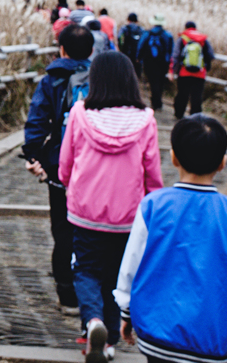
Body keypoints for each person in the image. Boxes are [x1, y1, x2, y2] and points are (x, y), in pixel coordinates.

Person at [114, 116, 227, 362]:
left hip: (157, 336)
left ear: (173, 158)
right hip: (211, 342)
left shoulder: (153, 206)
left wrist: (125, 313)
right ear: (222, 163)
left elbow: (131, 264)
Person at [59, 51, 163, 361]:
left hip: (85, 211)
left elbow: (66, 162)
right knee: (119, 276)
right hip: (128, 216)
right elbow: (152, 172)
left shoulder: (79, 113)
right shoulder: (146, 119)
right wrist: (152, 208)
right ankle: (109, 342)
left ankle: (92, 322)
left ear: (96, 80)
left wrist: (69, 185)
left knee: (86, 269)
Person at [23, 23, 94, 313]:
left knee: (63, 231)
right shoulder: (101, 77)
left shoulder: (51, 79)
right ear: (92, 50)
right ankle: (91, 289)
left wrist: (33, 155)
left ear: (61, 48)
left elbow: (37, 120)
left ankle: (67, 296)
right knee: (91, 230)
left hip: (59, 167)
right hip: (95, 167)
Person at [171, 21, 215, 119]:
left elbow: (175, 55)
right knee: (196, 97)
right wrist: (205, 66)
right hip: (200, 74)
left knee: (182, 94)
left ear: (186, 27)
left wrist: (174, 70)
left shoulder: (182, 38)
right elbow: (211, 55)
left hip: (184, 73)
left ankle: (179, 115)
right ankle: (195, 117)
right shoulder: (203, 39)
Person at [137, 16, 173, 112]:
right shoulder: (167, 35)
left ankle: (155, 103)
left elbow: (141, 45)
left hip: (149, 62)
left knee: (153, 82)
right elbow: (171, 50)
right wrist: (169, 62)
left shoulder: (147, 33)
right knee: (160, 82)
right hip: (163, 63)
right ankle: (158, 102)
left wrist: (138, 57)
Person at [117, 14, 145, 78]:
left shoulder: (124, 28)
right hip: (137, 56)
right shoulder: (141, 29)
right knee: (137, 74)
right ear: (136, 20)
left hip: (127, 54)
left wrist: (121, 49)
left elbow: (119, 38)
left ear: (128, 19)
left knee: (126, 72)